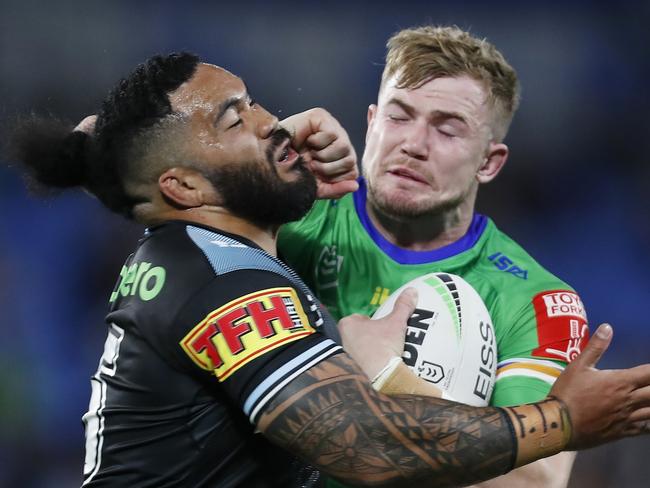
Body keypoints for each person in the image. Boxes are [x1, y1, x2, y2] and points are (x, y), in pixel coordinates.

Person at [8, 52, 650, 488]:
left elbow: (120, 145)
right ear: (183, 186)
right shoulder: (228, 286)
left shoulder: (193, 253)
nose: (274, 123)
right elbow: (365, 445)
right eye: (235, 118)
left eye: (254, 102)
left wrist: (269, 174)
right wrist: (562, 421)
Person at [278, 25, 589, 487]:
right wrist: (260, 166)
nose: (414, 145)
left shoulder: (535, 301)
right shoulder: (289, 220)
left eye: (447, 130)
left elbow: (534, 480)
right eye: (399, 117)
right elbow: (163, 217)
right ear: (370, 123)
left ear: (489, 161)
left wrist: (389, 377)